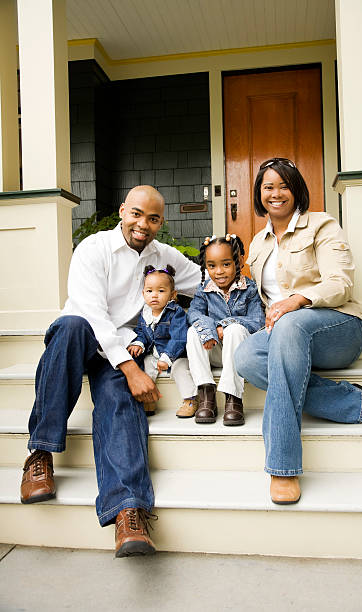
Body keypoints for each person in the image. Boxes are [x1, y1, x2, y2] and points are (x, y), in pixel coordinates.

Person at [20, 186, 201, 557]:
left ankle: (127, 512)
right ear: (122, 211)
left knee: (120, 401)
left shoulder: (163, 256)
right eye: (136, 214)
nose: (143, 224)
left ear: (160, 222)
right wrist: (132, 369)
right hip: (83, 337)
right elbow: (93, 315)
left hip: (122, 347)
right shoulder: (94, 248)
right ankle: (40, 454)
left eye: (152, 218)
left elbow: (204, 281)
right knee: (70, 327)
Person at [234, 158, 362, 505]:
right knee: (246, 356)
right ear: (258, 193)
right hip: (285, 336)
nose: (276, 193)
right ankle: (359, 402)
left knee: (291, 324)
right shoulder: (259, 243)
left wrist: (296, 301)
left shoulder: (321, 225)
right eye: (268, 186)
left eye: (284, 185)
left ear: (296, 189)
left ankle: (282, 466)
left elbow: (340, 283)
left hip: (338, 328)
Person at [187, 234, 265, 426]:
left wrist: (227, 324)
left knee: (235, 330)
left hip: (239, 352)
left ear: (237, 262)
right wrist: (212, 329)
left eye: (226, 264)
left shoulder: (250, 289)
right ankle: (206, 394)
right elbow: (194, 314)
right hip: (213, 349)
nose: (219, 272)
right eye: (212, 266)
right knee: (193, 331)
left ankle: (233, 397)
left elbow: (257, 321)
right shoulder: (204, 289)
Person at [128, 264, 198, 418]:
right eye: (149, 291)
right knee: (145, 365)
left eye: (161, 291)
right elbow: (141, 332)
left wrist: (167, 357)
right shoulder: (145, 313)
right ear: (143, 293)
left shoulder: (175, 312)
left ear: (172, 295)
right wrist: (138, 343)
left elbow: (179, 338)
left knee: (180, 370)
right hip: (155, 355)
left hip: (177, 355)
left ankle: (190, 400)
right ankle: (149, 398)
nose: (154, 295)